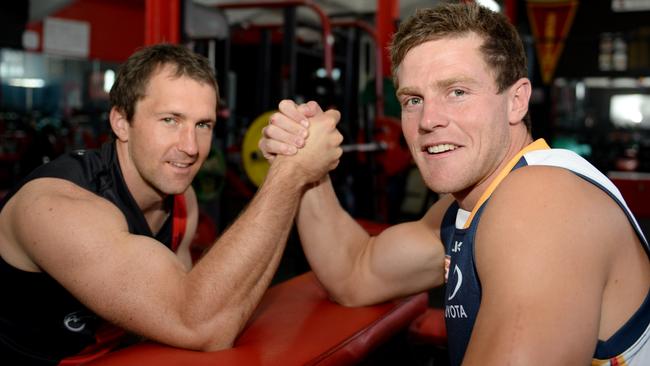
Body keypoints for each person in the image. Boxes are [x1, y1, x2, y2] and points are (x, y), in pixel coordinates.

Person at [259, 3, 650, 365]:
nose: (429, 119)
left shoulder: (541, 202)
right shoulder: (464, 207)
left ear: (517, 101)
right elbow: (355, 273)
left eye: (457, 92)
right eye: (413, 99)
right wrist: (303, 166)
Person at [0, 43, 343, 365]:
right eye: (170, 120)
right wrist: (290, 173)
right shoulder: (57, 208)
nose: (191, 147)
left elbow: (191, 309)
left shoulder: (181, 201)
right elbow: (200, 326)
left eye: (203, 125)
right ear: (121, 122)